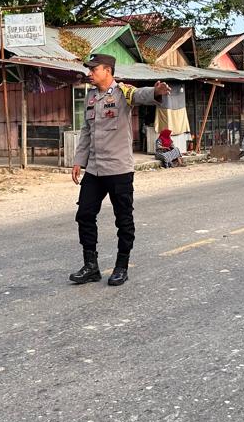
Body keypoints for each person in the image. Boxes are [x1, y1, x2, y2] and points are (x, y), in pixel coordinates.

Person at [70, 55, 170, 287]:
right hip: (94, 169)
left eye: (94, 69)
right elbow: (86, 131)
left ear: (108, 70)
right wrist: (79, 160)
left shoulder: (123, 92)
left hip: (119, 169)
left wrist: (156, 92)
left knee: (123, 219)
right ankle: (91, 266)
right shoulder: (91, 97)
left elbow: (141, 95)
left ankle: (121, 266)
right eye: (90, 69)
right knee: (84, 214)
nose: (90, 73)